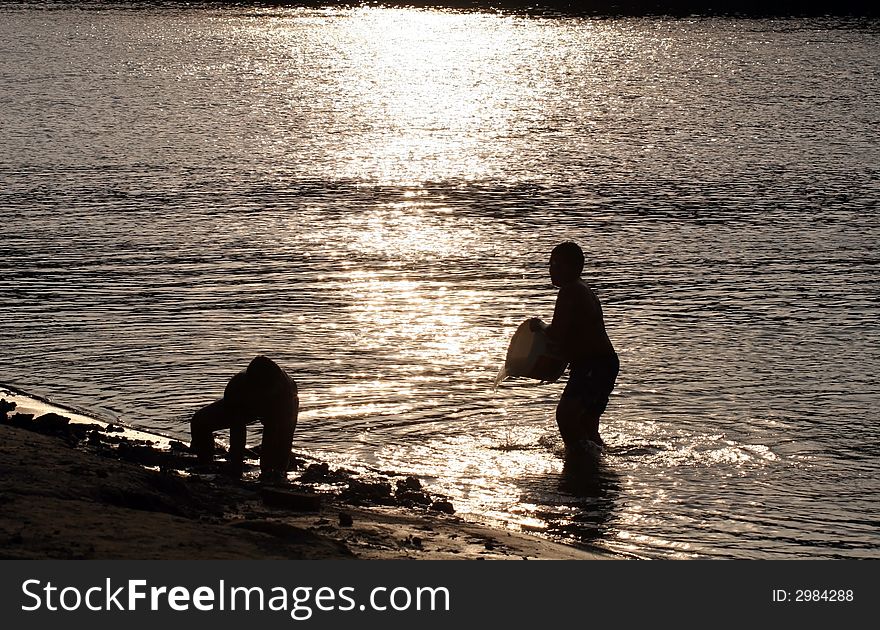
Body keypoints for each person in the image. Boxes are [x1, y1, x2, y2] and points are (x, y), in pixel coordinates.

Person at [531, 241, 619, 450]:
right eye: (551, 264)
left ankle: (579, 463)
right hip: (601, 364)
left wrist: (539, 326)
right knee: (586, 424)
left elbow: (557, 333)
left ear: (574, 268)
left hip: (594, 366)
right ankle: (596, 468)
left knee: (566, 416)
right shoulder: (582, 289)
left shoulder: (570, 291)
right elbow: (573, 340)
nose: (551, 270)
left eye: (557, 265)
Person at [190, 355, 298, 480]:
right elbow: (237, 429)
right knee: (199, 422)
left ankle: (275, 475)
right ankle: (206, 463)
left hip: (280, 408)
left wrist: (276, 468)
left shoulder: (286, 392)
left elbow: (284, 436)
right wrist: (236, 468)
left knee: (272, 459)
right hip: (246, 406)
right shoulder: (236, 387)